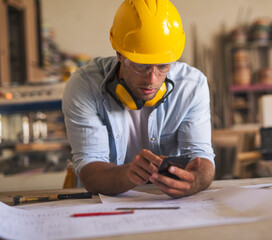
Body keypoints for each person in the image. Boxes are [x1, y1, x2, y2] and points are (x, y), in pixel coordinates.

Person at [62, 0, 215, 198]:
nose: (152, 80)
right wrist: (128, 174)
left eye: (163, 66)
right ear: (119, 54)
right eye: (141, 66)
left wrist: (195, 182)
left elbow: (202, 159)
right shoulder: (84, 86)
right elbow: (89, 170)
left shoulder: (192, 86)